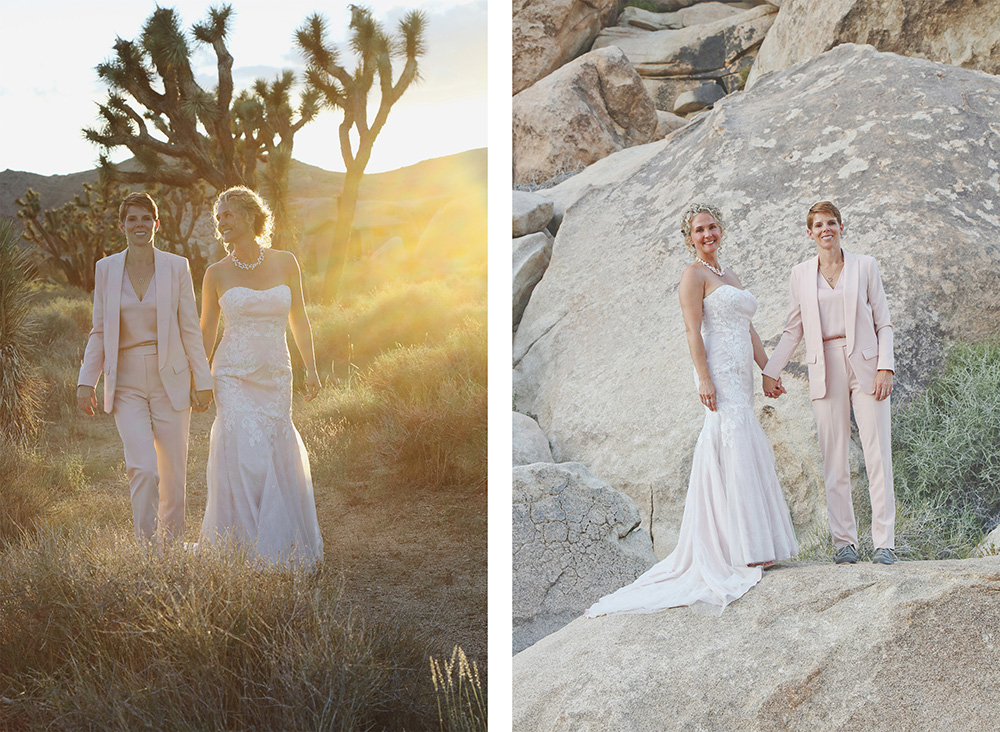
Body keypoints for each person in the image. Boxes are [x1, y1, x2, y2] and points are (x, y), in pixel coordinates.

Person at [586, 203, 797, 618]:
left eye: (712, 227)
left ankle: (757, 544)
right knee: (729, 439)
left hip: (742, 373)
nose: (707, 234)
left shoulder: (728, 276)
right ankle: (737, 549)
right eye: (699, 230)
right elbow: (691, 329)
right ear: (689, 238)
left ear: (722, 230)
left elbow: (748, 328)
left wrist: (768, 371)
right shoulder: (692, 275)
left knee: (746, 439)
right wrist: (703, 378)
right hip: (718, 369)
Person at [763, 201, 896, 565]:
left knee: (877, 454)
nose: (826, 229)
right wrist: (770, 370)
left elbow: (883, 322)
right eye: (818, 225)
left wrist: (886, 367)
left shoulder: (865, 266)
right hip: (824, 365)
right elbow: (793, 329)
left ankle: (885, 543)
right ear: (809, 233)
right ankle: (844, 544)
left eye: (831, 223)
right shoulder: (800, 274)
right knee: (833, 458)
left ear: (841, 226)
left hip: (867, 365)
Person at [77, 192, 213, 546]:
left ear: (157, 223)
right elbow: (100, 329)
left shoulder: (176, 266)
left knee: (173, 474)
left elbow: (189, 328)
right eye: (132, 219)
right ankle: (146, 552)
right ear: (122, 226)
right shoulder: (106, 269)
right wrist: (85, 381)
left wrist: (203, 379)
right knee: (143, 468)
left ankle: (170, 552)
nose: (139, 225)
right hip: (126, 383)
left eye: (145, 218)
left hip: (172, 375)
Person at [197, 185, 324, 566]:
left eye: (228, 215)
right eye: (218, 218)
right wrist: (199, 379)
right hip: (232, 373)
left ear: (251, 216)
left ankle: (278, 546)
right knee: (243, 452)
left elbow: (299, 319)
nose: (222, 223)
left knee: (272, 447)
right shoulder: (215, 273)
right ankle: (242, 545)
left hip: (275, 374)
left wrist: (311, 368)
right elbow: (206, 331)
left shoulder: (286, 263)